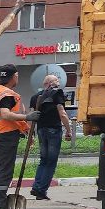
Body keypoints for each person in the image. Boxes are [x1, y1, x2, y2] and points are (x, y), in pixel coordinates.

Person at [0, 66, 31, 209]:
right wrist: (28, 117)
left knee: (3, 170)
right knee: (4, 172)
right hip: (6, 135)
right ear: (15, 76)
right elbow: (6, 114)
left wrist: (26, 129)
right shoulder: (7, 94)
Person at [25, 72, 75, 201]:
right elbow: (62, 113)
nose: (59, 83)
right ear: (50, 83)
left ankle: (36, 187)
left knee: (44, 160)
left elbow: (31, 117)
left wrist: (30, 135)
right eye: (57, 81)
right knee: (51, 161)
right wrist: (69, 130)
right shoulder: (57, 93)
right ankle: (41, 190)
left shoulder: (35, 97)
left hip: (41, 130)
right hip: (53, 129)